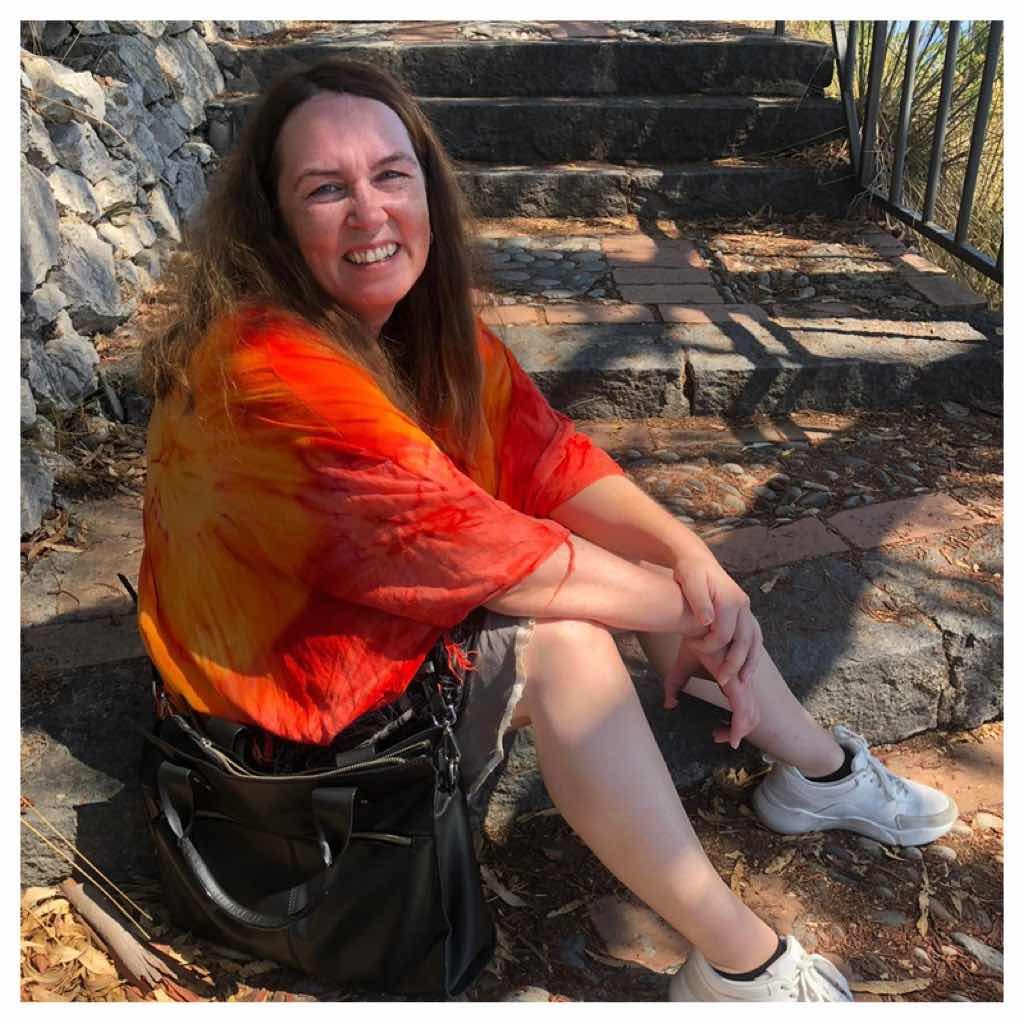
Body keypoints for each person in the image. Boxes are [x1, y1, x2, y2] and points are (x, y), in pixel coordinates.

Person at [138, 58, 957, 1003]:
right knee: (566, 643)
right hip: (281, 722)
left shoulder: (418, 329)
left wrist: (689, 557)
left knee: (641, 562)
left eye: (391, 175)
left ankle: (817, 772)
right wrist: (688, 604)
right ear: (275, 220)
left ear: (427, 188)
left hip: (363, 628)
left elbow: (550, 457)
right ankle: (744, 965)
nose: (370, 212)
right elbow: (479, 554)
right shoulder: (270, 368)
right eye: (326, 189)